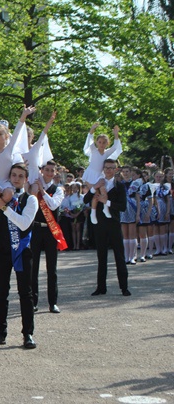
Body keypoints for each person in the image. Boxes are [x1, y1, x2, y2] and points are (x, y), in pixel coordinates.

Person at [0, 162, 39, 350]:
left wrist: (5, 208)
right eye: (13, 175)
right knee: (1, 292)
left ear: (26, 179)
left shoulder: (30, 200)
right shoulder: (3, 197)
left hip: (22, 250)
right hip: (2, 249)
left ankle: (27, 333)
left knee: (25, 293)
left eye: (21, 176)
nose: (17, 179)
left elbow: (23, 224)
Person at [85, 159, 130, 297]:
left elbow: (122, 207)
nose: (108, 170)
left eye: (111, 168)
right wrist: (94, 188)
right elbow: (86, 200)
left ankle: (124, 287)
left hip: (114, 223)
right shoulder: (99, 183)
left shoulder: (120, 186)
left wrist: (107, 202)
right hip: (99, 224)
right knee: (101, 256)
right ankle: (101, 287)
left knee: (119, 255)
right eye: (106, 167)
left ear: (116, 170)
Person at [29, 160, 66, 314]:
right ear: (42, 170)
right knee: (33, 267)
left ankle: (53, 302)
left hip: (51, 231)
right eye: (47, 170)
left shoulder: (58, 190)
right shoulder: (34, 186)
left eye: (52, 170)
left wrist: (42, 192)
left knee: (52, 268)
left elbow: (52, 205)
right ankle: (33, 301)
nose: (49, 173)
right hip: (36, 229)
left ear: (55, 173)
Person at [82, 124, 122, 224]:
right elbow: (89, 140)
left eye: (104, 142)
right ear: (97, 142)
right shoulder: (94, 150)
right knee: (96, 194)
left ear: (107, 143)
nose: (102, 144)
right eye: (100, 142)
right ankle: (93, 212)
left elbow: (115, 147)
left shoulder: (107, 153)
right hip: (91, 174)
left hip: (99, 175)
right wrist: (92, 129)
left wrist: (116, 135)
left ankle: (105, 207)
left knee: (103, 190)